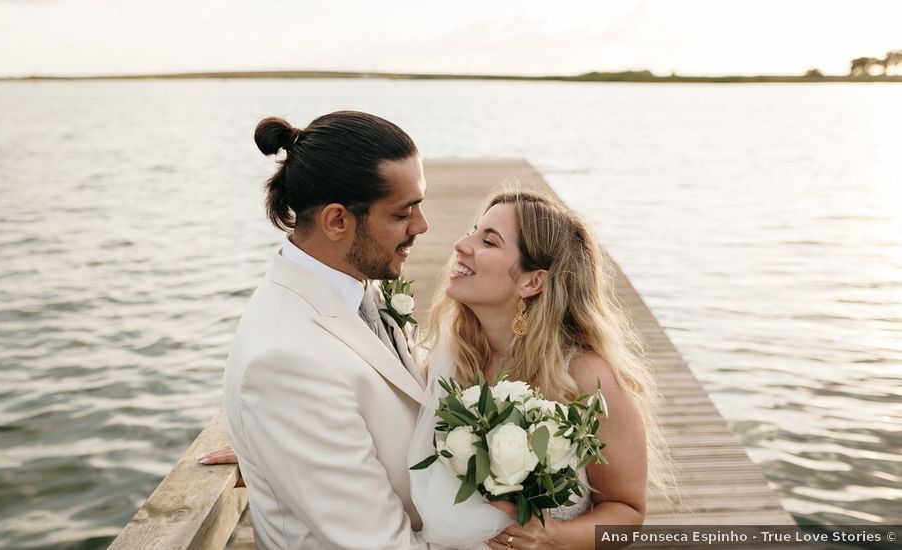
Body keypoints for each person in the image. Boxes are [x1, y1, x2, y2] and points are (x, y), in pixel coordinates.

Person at [220, 110, 440, 549]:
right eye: (403, 213)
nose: (421, 226)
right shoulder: (285, 364)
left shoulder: (350, 284)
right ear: (337, 220)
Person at [408, 188, 672, 549]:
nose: (461, 244)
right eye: (472, 230)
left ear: (532, 281)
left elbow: (626, 513)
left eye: (488, 240)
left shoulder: (584, 377)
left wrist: (552, 537)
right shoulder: (446, 359)